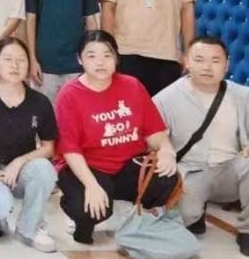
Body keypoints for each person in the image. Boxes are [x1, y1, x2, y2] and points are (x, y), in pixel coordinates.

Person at [55, 30, 181, 245]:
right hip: (88, 166)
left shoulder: (132, 86)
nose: (100, 62)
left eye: (107, 55)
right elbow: (70, 150)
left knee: (167, 177)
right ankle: (84, 212)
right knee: (89, 213)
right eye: (91, 55)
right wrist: (91, 185)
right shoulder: (70, 94)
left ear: (116, 57)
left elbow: (155, 133)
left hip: (127, 165)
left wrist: (167, 151)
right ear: (80, 59)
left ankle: (123, 206)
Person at [154, 36, 249, 257]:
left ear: (227, 64)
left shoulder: (242, 96)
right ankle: (197, 213)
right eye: (199, 60)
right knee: (183, 218)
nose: (207, 67)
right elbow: (152, 136)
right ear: (186, 62)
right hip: (190, 172)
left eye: (215, 61)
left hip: (231, 167)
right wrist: (164, 153)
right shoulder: (165, 99)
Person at [0, 37, 59, 252]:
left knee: (44, 169)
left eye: (21, 60)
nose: (15, 65)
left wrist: (20, 161)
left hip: (20, 172)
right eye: (7, 59)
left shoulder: (39, 102)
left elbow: (49, 147)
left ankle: (30, 228)